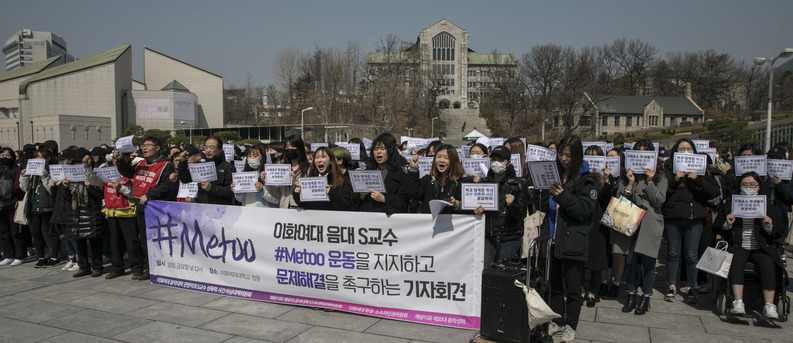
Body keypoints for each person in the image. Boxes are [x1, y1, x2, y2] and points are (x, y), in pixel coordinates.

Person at [713, 172, 785, 319]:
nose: (748, 188)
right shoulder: (730, 204)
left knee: (767, 263)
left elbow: (779, 231)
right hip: (739, 245)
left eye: (752, 185)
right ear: (739, 187)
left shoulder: (766, 205)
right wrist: (727, 223)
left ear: (758, 188)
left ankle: (769, 305)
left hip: (761, 246)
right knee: (736, 260)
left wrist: (768, 227)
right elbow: (717, 226)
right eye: (744, 185)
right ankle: (738, 301)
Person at [546, 136, 596, 343]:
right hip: (554, 237)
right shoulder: (554, 174)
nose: (564, 159)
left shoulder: (586, 179)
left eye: (569, 155)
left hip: (574, 239)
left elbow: (584, 210)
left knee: (574, 288)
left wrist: (562, 195)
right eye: (561, 154)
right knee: (555, 284)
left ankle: (571, 325)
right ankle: (557, 319)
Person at [662, 138, 720, 303]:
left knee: (692, 254)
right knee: (673, 253)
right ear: (675, 151)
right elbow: (661, 193)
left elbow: (714, 192)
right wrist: (675, 179)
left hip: (694, 217)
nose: (685, 151)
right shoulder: (668, 168)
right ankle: (671, 285)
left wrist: (697, 180)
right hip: (673, 216)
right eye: (682, 148)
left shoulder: (702, 168)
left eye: (689, 148)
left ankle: (691, 286)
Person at [616, 139, 667, 315]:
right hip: (630, 220)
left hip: (650, 223)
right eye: (639, 153)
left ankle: (646, 297)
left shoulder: (660, 176)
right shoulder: (627, 175)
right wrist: (630, 183)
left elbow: (659, 200)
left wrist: (650, 182)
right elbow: (620, 198)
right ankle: (630, 294)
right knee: (630, 261)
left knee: (649, 262)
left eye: (646, 154)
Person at [116, 136, 174, 280]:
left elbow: (166, 185)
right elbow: (128, 173)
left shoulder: (166, 165)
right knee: (144, 240)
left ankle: (157, 268)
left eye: (149, 145)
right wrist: (123, 158)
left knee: (156, 239)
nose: (145, 148)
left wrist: (149, 195)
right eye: (143, 145)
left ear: (157, 148)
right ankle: (148, 267)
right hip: (140, 206)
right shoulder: (140, 164)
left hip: (156, 207)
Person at [51, 148, 105, 277]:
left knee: (94, 241)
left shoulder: (92, 174)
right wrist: (64, 187)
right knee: (79, 240)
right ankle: (83, 266)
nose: (76, 165)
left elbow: (99, 193)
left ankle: (97, 266)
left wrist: (89, 186)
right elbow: (66, 198)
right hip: (75, 211)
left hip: (91, 210)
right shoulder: (68, 176)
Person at [473, 146, 529, 265]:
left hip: (509, 236)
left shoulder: (517, 184)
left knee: (503, 274)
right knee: (486, 271)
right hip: (488, 235)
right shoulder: (484, 184)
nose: (496, 163)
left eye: (500, 160)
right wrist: (477, 211)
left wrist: (512, 205)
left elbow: (522, 213)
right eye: (493, 160)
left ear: (508, 162)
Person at [582, 145, 614, 308]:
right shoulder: (581, 176)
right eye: (589, 156)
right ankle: (581, 289)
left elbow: (607, 199)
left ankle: (593, 291)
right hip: (582, 220)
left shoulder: (604, 179)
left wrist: (606, 180)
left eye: (596, 156)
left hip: (599, 222)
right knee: (580, 258)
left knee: (596, 258)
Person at [20, 148, 59, 267]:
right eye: (36, 157)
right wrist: (24, 176)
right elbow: (25, 188)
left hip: (48, 206)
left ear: (47, 159)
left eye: (40, 157)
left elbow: (52, 190)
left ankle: (54, 256)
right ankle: (41, 256)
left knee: (51, 232)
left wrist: (45, 176)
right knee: (35, 232)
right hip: (33, 206)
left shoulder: (52, 171)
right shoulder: (33, 173)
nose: (38, 160)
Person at [359, 133, 412, 214]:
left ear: (390, 151)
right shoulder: (368, 171)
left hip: (389, 221)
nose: (378, 152)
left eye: (382, 149)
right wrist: (361, 195)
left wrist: (384, 199)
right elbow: (355, 202)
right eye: (376, 149)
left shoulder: (401, 174)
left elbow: (404, 201)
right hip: (368, 218)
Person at [408, 144, 467, 214]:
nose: (441, 160)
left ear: (453, 161)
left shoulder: (462, 181)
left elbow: (469, 207)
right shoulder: (427, 179)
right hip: (430, 223)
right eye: (438, 157)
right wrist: (413, 170)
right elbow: (413, 194)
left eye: (446, 158)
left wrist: (456, 204)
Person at [177, 136, 235, 205]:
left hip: (221, 209)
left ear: (220, 149)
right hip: (203, 209)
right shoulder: (201, 165)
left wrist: (211, 188)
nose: (208, 150)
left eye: (211, 147)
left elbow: (230, 191)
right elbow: (185, 179)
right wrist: (183, 162)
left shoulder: (228, 168)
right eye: (206, 147)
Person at [293, 147, 354, 211]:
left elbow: (347, 206)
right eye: (316, 158)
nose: (319, 160)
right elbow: (304, 204)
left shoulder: (340, 180)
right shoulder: (310, 179)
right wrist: (297, 194)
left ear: (331, 160)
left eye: (323, 157)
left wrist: (332, 193)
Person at [263, 135, 310, 208]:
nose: (290, 149)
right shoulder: (282, 168)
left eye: (293, 146)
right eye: (287, 147)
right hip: (284, 207)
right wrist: (267, 181)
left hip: (301, 208)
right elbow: (277, 194)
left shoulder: (308, 168)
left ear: (299, 148)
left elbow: (310, 192)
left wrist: (296, 183)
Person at [0, 148, 24, 266]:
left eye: (7, 155)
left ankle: (20, 255)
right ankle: (8, 254)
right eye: (2, 155)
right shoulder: (1, 170)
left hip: (13, 203)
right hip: (1, 205)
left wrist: (11, 192)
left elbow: (18, 185)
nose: (5, 157)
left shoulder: (16, 170)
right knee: (4, 232)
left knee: (15, 231)